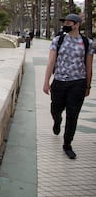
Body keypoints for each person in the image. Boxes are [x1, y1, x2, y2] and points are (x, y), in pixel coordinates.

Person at [43, 13, 94, 159]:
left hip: (78, 83)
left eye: (68, 22)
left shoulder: (87, 43)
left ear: (77, 25)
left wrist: (88, 86)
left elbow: (89, 66)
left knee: (73, 115)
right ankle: (57, 121)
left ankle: (67, 144)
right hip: (59, 82)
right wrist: (46, 81)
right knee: (56, 109)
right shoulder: (58, 40)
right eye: (64, 22)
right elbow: (51, 62)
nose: (65, 25)